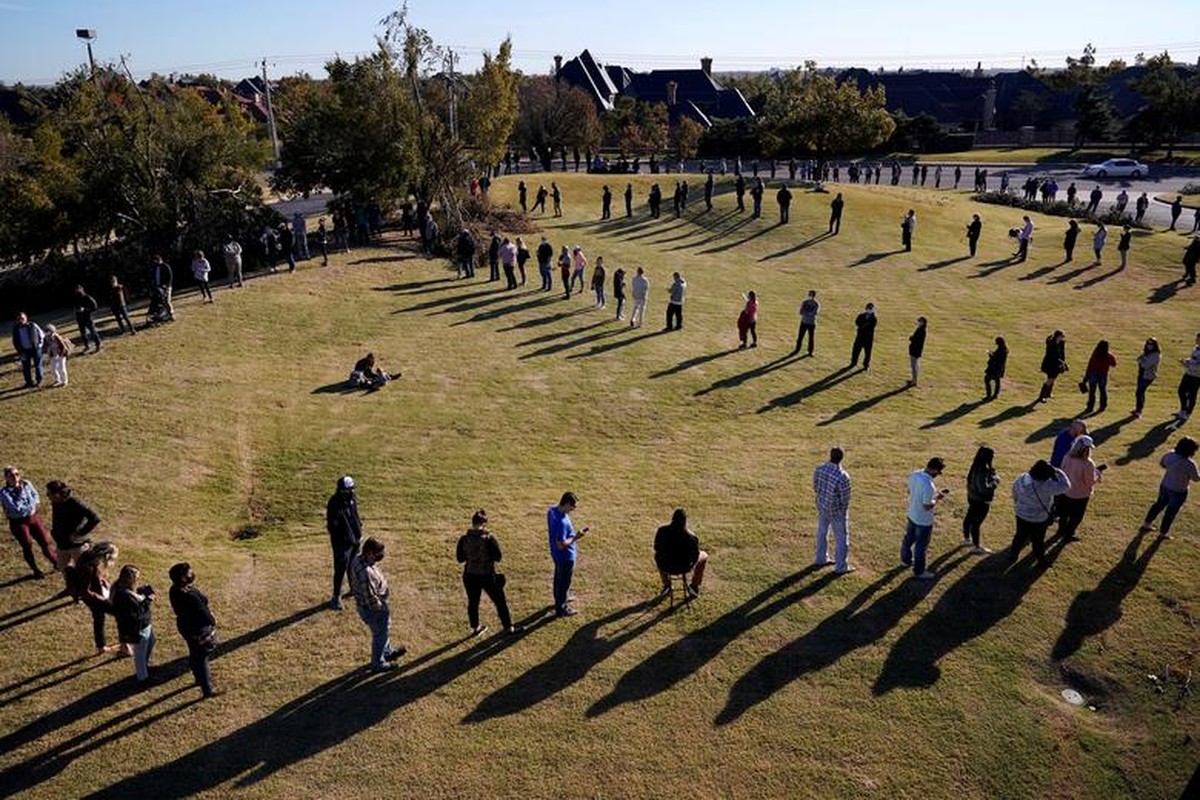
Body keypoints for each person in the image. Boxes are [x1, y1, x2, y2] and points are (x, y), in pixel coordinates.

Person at [457, 510, 518, 636]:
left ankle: (475, 627)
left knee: (473, 602)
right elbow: (498, 557)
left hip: (470, 575)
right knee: (500, 601)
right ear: (484, 524)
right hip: (487, 575)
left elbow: (460, 558)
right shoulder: (489, 538)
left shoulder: (464, 539)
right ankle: (508, 627)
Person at [349, 537, 406, 670]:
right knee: (380, 634)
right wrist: (382, 609)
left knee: (383, 632)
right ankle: (378, 663)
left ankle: (387, 652)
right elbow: (370, 598)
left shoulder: (359, 558)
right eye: (378, 554)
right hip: (373, 610)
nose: (380, 556)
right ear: (369, 552)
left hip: (368, 607)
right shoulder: (365, 573)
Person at [168, 562, 221, 697]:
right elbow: (203, 612)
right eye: (189, 573)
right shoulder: (190, 595)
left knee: (194, 652)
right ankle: (207, 689)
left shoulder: (174, 590)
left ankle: (198, 678)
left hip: (186, 626)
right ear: (183, 578)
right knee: (202, 656)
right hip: (198, 628)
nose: (192, 575)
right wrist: (213, 620)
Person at [1010, 460, 1071, 566]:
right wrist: (1059, 471)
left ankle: (1013, 555)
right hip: (1038, 519)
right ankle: (1041, 560)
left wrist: (1018, 505)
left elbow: (1015, 492)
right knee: (1038, 540)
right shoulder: (1047, 485)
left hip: (1021, 514)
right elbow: (1066, 486)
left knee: (1019, 536)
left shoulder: (1022, 478)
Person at [46, 480, 100, 598]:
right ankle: (70, 588)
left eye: (49, 494)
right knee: (62, 567)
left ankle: (84, 591)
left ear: (58, 494)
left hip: (77, 545)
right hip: (62, 543)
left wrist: (80, 533)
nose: (48, 496)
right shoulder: (56, 501)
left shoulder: (75, 502)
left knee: (83, 570)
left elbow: (95, 518)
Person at [2, 466, 57, 578]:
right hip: (19, 522)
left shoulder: (27, 484)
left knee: (45, 541)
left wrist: (29, 505)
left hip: (33, 518)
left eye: (17, 474)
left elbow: (36, 497)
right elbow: (16, 508)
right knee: (27, 544)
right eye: (12, 475)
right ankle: (35, 570)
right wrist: (28, 502)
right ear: (6, 478)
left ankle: (56, 562)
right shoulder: (4, 493)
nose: (15, 477)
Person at [1140, 436, 1199, 538]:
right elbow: (1196, 478)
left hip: (1165, 485)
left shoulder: (1169, 454)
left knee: (1158, 505)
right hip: (1179, 490)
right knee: (1170, 512)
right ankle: (1163, 533)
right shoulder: (1190, 464)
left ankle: (1146, 524)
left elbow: (1162, 464)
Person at [902, 457, 950, 579]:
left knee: (908, 539)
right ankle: (919, 571)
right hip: (923, 520)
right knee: (921, 546)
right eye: (938, 473)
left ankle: (905, 560)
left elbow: (912, 491)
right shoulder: (929, 485)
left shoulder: (914, 474)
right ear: (934, 470)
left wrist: (933, 495)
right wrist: (937, 498)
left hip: (912, 514)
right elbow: (927, 506)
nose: (937, 475)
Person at [112, 565, 156, 684]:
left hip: (144, 625)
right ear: (129, 579)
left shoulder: (124, 589)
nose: (138, 578)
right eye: (136, 577)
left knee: (150, 642)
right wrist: (147, 601)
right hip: (138, 627)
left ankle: (144, 668)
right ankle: (142, 677)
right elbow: (135, 614)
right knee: (140, 654)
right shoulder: (124, 596)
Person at [813, 447, 854, 573]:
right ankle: (841, 566)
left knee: (822, 532)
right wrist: (842, 510)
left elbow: (815, 486)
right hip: (836, 511)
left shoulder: (820, 469)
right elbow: (845, 497)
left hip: (822, 506)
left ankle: (821, 558)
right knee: (841, 538)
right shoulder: (842, 476)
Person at [1057, 436, 1105, 542]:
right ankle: (1068, 534)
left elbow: (1061, 471)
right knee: (1076, 517)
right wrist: (1098, 475)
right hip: (1080, 495)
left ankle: (1060, 531)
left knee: (1064, 514)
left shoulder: (1067, 457)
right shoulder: (1088, 463)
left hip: (1066, 491)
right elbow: (1090, 482)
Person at [548, 492, 588, 617]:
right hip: (565, 556)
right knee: (564, 581)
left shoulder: (551, 511)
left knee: (558, 578)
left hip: (555, 554)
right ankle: (561, 608)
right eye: (572, 506)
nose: (573, 509)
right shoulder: (561, 522)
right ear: (566, 504)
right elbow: (561, 544)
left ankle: (560, 597)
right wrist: (576, 536)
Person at [326, 476, 363, 610]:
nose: (352, 491)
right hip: (341, 543)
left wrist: (359, 530)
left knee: (353, 566)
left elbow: (355, 515)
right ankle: (336, 597)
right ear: (342, 490)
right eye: (350, 489)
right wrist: (344, 536)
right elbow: (332, 526)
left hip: (355, 540)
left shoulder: (352, 499)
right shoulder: (334, 503)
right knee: (340, 569)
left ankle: (353, 588)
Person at [654, 508, 709, 596]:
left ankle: (666, 584)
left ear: (672, 519)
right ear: (685, 521)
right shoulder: (691, 537)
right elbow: (695, 556)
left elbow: (657, 548)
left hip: (665, 565)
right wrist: (691, 565)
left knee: (657, 555)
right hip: (685, 567)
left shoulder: (662, 531)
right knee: (704, 556)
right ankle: (694, 586)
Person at [77, 542, 119, 655]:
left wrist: (103, 582)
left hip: (96, 596)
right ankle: (126, 644)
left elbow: (95, 577)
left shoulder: (87, 556)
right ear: (106, 556)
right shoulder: (90, 567)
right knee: (121, 614)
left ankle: (101, 646)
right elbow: (85, 591)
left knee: (99, 619)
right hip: (94, 599)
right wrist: (103, 599)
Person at [963, 446, 999, 554]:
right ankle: (976, 546)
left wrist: (991, 474)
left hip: (972, 497)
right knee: (976, 524)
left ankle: (966, 539)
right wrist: (995, 482)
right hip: (981, 501)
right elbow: (984, 489)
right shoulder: (983, 469)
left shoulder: (975, 465)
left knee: (969, 518)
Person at [12, 311, 45, 388]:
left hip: (35, 349)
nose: (21, 320)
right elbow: (15, 341)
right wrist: (19, 351)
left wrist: (40, 345)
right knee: (26, 367)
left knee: (38, 365)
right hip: (24, 351)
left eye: (22, 318)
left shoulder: (33, 325)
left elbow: (41, 334)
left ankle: (39, 381)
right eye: (19, 319)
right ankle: (29, 382)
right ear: (17, 320)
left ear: (26, 318)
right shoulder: (16, 329)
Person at [1083, 340, 1117, 414]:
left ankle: (1090, 406)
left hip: (1093, 374)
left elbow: (1090, 366)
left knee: (1092, 391)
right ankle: (1103, 405)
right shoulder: (1108, 356)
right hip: (1103, 375)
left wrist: (1086, 377)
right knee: (1103, 390)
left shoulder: (1095, 355)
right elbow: (1114, 364)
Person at [1133, 338, 1161, 419]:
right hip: (1142, 374)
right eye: (1148, 344)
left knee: (1140, 392)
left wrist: (1142, 361)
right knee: (1139, 392)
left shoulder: (1155, 355)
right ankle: (1138, 409)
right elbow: (1138, 359)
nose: (1149, 346)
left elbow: (1145, 365)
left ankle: (1139, 411)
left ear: (1154, 345)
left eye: (1151, 344)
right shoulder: (1147, 352)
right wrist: (1142, 360)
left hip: (1148, 376)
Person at [1038, 330, 1068, 403]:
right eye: (1061, 337)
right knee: (1050, 379)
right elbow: (1051, 355)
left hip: (1057, 364)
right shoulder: (1051, 344)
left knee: (1053, 379)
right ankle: (1042, 396)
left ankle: (1048, 393)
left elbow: (1062, 353)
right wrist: (1061, 362)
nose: (1062, 338)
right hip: (1050, 364)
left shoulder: (1061, 343)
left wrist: (1063, 362)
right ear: (1057, 336)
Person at [1177, 332, 1200, 421]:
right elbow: (1192, 359)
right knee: (1181, 391)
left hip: (1197, 376)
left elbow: (1198, 366)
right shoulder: (1196, 349)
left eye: (1198, 339)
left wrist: (1188, 364)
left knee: (1192, 395)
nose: (1196, 340)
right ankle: (1183, 409)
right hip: (1188, 373)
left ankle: (1188, 413)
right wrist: (1186, 361)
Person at [74, 285, 103, 352]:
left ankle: (98, 344)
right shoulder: (76, 298)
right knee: (83, 333)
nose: (77, 291)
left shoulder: (87, 297)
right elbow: (76, 307)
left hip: (87, 317)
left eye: (78, 289)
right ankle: (87, 346)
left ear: (81, 289)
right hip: (79, 318)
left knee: (93, 332)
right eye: (76, 290)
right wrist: (76, 310)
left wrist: (85, 309)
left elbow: (95, 307)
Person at [850, 303, 877, 370]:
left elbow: (871, 326)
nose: (869, 310)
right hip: (860, 337)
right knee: (856, 350)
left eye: (870, 309)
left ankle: (866, 365)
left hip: (868, 338)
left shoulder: (874, 318)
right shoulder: (861, 316)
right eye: (868, 308)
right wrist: (863, 325)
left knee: (867, 353)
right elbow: (857, 322)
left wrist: (863, 326)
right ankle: (853, 362)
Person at [149, 254, 174, 321]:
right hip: (158, 287)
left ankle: (171, 314)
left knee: (167, 301)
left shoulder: (166, 266)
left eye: (156, 261)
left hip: (166, 286)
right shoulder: (155, 267)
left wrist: (167, 286)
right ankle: (165, 315)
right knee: (161, 302)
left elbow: (170, 277)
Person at [794, 290, 819, 356]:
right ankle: (797, 349)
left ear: (813, 296)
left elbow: (814, 313)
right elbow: (801, 312)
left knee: (811, 338)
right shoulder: (805, 302)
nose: (809, 296)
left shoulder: (816, 304)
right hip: (804, 322)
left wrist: (806, 313)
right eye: (809, 294)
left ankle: (810, 351)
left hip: (811, 323)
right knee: (800, 337)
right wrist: (807, 313)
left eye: (810, 294)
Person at [907, 317, 927, 387]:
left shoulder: (921, 331)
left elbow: (916, 340)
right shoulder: (921, 330)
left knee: (914, 366)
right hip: (916, 350)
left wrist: (911, 338)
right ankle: (913, 379)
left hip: (915, 350)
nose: (918, 322)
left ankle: (914, 381)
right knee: (915, 365)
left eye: (919, 321)